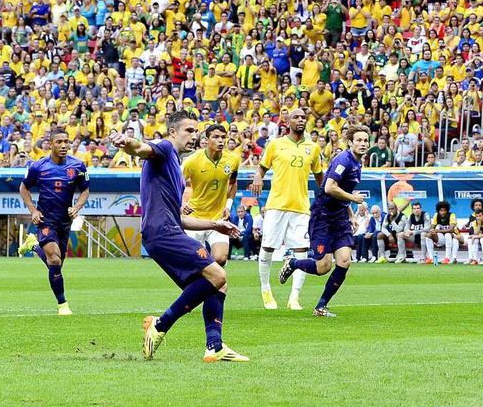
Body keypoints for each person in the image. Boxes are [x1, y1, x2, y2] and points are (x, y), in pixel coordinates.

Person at [110, 111, 249, 363]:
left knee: (218, 284)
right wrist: (126, 142)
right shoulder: (164, 148)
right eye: (189, 130)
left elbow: (180, 217)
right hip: (163, 233)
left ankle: (214, 346)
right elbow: (141, 148)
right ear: (173, 132)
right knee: (218, 274)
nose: (194, 136)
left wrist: (214, 225)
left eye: (196, 131)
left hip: (166, 231)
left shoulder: (174, 165)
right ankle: (160, 325)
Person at [280, 125, 369, 318]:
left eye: (365, 140)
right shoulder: (343, 160)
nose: (363, 144)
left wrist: (351, 215)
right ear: (350, 142)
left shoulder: (358, 162)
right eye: (359, 140)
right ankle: (293, 262)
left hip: (340, 218)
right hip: (323, 217)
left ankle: (321, 307)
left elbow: (341, 191)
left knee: (345, 261)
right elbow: (329, 187)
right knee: (323, 267)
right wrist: (354, 199)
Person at [251, 109, 324, 310]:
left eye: (303, 117)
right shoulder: (275, 144)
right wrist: (258, 176)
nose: (300, 120)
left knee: (301, 251)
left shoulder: (314, 148)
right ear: (287, 121)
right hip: (276, 205)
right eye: (296, 117)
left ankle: (294, 297)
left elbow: (320, 178)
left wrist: (327, 198)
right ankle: (266, 289)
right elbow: (262, 168)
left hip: (301, 207)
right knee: (267, 248)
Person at [20, 128, 89, 315]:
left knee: (56, 264)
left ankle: (33, 245)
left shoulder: (78, 166)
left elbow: (85, 190)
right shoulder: (38, 166)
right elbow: (24, 188)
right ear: (50, 144)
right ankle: (63, 305)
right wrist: (33, 210)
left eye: (66, 141)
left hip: (64, 221)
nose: (64, 145)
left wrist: (76, 208)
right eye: (59, 142)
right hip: (45, 219)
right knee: (54, 258)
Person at [181, 123, 243, 267]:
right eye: (216, 137)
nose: (221, 141)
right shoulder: (192, 161)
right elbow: (174, 183)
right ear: (207, 139)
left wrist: (228, 205)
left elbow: (233, 183)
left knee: (220, 259)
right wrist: (182, 204)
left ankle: (213, 281)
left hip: (218, 218)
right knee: (196, 261)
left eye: (223, 137)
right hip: (195, 218)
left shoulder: (232, 160)